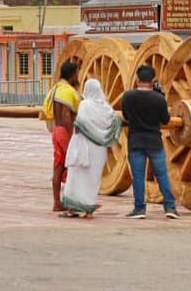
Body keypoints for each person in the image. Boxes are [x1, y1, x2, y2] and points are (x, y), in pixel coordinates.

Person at [121, 64, 179, 219]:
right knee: (162, 175)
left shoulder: (128, 97)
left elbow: (126, 117)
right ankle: (170, 207)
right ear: (152, 80)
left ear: (137, 79)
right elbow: (165, 120)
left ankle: (139, 209)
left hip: (136, 141)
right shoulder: (158, 99)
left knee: (138, 176)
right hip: (154, 141)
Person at [60, 78, 122, 219]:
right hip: (99, 149)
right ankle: (89, 211)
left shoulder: (85, 105)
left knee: (76, 177)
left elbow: (79, 127)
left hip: (84, 146)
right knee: (93, 180)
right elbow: (115, 121)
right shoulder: (106, 108)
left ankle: (71, 209)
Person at [44, 60, 81, 212]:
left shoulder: (55, 88)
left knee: (58, 167)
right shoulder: (66, 90)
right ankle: (72, 203)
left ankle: (56, 203)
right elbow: (66, 115)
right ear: (72, 75)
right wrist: (72, 135)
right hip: (64, 132)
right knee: (73, 166)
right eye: (77, 74)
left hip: (56, 131)